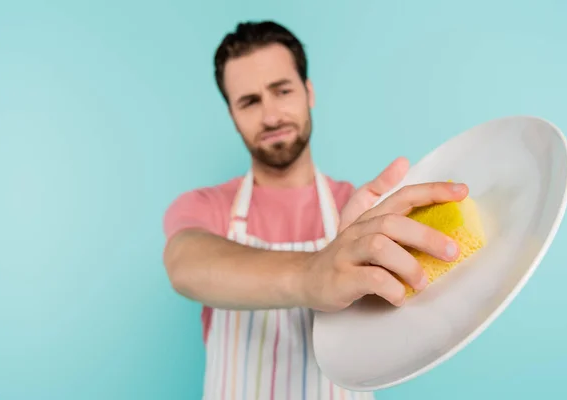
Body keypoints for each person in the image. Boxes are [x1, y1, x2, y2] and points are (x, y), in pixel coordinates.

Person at [162, 20, 468, 400]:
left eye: (282, 91)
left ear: (308, 92)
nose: (271, 116)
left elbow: (403, 333)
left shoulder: (363, 213)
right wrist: (315, 274)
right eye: (249, 101)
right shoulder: (206, 206)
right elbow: (185, 264)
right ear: (232, 116)